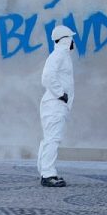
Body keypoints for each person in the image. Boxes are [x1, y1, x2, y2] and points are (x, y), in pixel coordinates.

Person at [38, 26, 75, 188]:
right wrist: (61, 94)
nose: (73, 41)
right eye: (71, 38)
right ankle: (48, 174)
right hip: (55, 103)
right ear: (65, 39)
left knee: (49, 139)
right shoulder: (59, 55)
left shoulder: (62, 56)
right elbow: (47, 76)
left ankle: (44, 171)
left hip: (55, 104)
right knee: (53, 138)